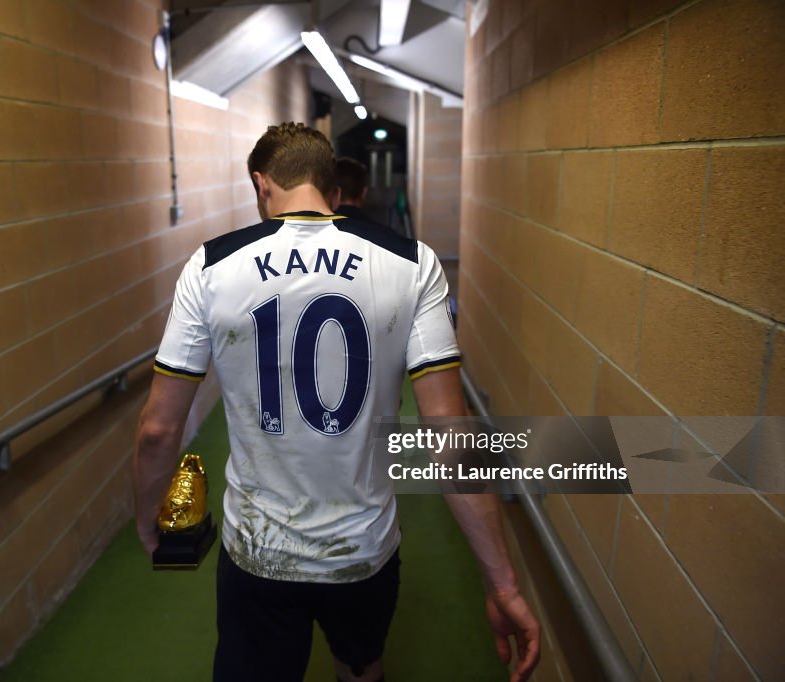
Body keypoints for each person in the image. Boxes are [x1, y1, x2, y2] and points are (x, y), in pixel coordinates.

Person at [133, 122, 539, 682]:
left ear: (261, 184)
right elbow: (450, 435)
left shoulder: (209, 268)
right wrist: (503, 584)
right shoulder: (413, 264)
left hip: (258, 551)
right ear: (332, 187)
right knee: (361, 666)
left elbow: (158, 429)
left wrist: (150, 519)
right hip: (364, 549)